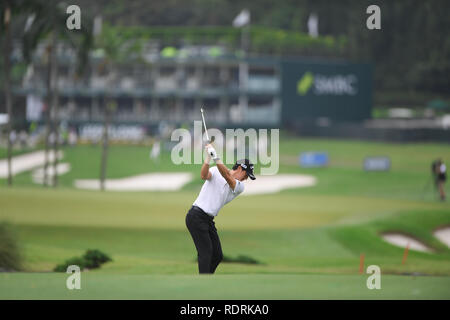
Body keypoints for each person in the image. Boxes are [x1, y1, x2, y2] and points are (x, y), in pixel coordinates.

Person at [185, 143, 256, 274]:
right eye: (246, 175)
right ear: (240, 168)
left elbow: (227, 176)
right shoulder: (216, 170)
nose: (246, 179)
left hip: (208, 220)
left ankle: (207, 279)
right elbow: (203, 175)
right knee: (206, 253)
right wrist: (208, 158)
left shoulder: (239, 186)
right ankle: (203, 283)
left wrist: (216, 157)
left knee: (217, 255)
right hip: (196, 216)